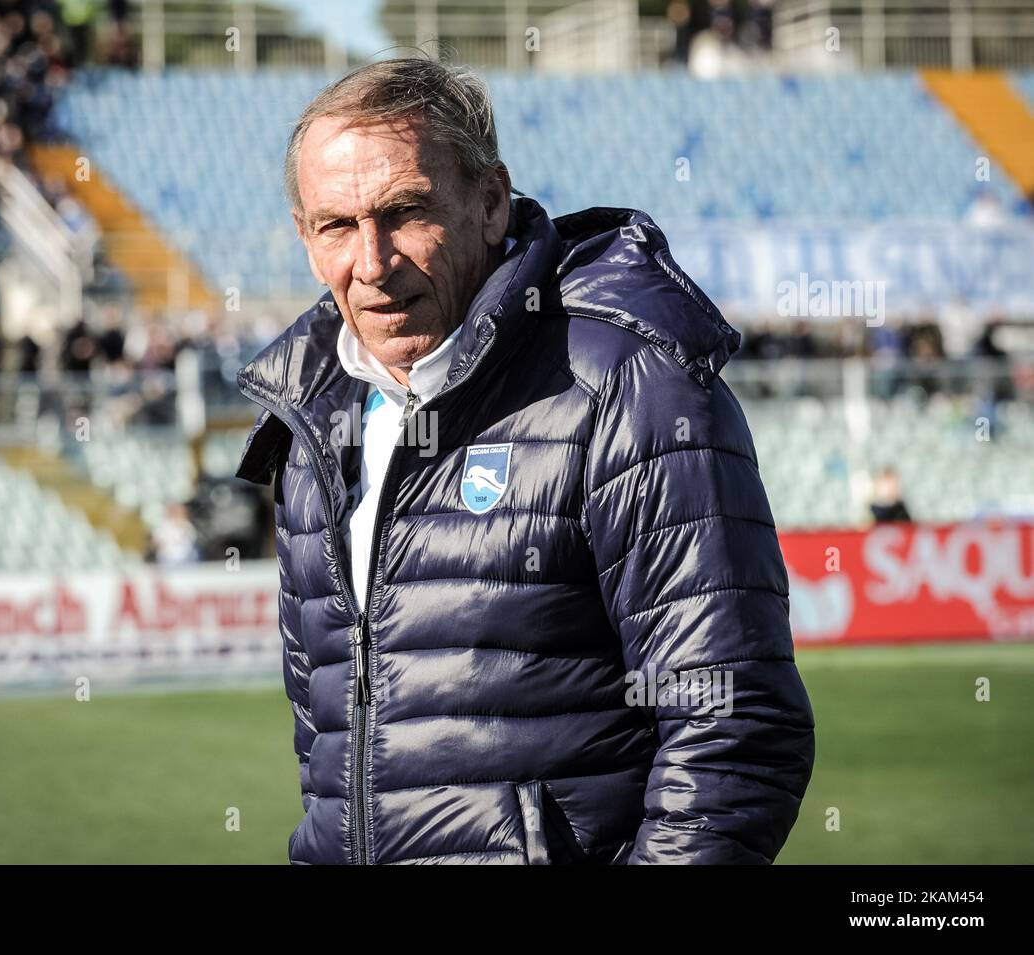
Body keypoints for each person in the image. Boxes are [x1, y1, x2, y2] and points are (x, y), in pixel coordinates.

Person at [234, 57, 815, 865]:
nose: (371, 262)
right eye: (336, 225)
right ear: (305, 237)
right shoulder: (310, 424)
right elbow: (329, 758)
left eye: (405, 212)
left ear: (491, 200)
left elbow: (733, 727)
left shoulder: (624, 383)